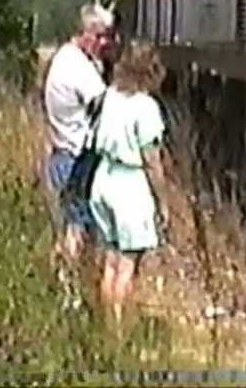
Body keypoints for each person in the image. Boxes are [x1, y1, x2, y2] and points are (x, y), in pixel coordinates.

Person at [86, 41, 172, 330]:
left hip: (103, 178)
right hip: (129, 185)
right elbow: (152, 160)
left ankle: (107, 327)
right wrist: (163, 202)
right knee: (127, 265)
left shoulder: (110, 96)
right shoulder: (145, 107)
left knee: (110, 260)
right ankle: (120, 332)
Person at [42, 4, 116, 268]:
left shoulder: (63, 58)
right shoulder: (79, 68)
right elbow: (107, 106)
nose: (104, 43)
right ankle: (69, 289)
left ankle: (58, 282)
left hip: (61, 153)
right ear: (86, 33)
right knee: (78, 228)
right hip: (76, 159)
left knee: (67, 226)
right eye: (100, 36)